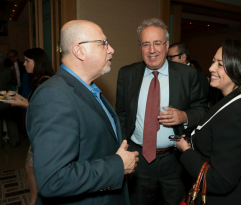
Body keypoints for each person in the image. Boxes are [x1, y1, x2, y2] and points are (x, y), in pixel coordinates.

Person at [25, 20, 138, 205]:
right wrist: (117, 166)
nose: (111, 49)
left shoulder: (89, 89)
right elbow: (53, 179)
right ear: (79, 51)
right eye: (103, 43)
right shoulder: (53, 96)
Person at [116, 18, 208, 205]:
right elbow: (122, 115)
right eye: (146, 44)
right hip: (138, 160)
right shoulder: (127, 74)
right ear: (140, 47)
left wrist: (184, 116)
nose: (152, 50)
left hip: (175, 160)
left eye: (157, 43)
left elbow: (202, 110)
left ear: (166, 46)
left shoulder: (187, 75)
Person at [176, 38, 241, 205]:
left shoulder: (238, 113)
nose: (211, 68)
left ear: (239, 68)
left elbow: (220, 181)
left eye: (220, 64)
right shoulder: (233, 102)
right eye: (213, 62)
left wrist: (186, 151)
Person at [3, 48, 54, 205]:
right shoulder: (39, 80)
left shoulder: (46, 82)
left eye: (27, 61)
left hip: (45, 134)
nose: (24, 64)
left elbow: (47, 111)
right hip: (38, 133)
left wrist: (23, 103)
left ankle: (34, 200)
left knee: (31, 169)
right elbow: (36, 103)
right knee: (31, 168)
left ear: (37, 62)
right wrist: (16, 96)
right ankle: (36, 198)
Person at [0, 54, 18, 149]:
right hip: (6, 96)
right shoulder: (7, 71)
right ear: (2, 61)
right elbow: (15, 82)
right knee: (11, 121)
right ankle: (14, 141)